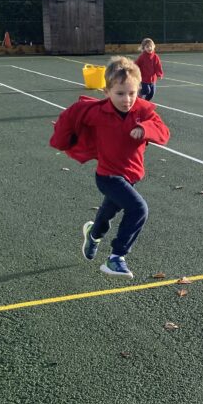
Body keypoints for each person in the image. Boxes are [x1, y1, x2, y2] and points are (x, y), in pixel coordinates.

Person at [50, 57, 170, 279]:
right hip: (107, 175)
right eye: (120, 94)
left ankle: (93, 234)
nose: (127, 100)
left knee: (107, 213)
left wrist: (145, 128)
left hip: (131, 175)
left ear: (139, 90)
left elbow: (163, 131)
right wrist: (63, 135)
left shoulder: (143, 111)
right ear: (107, 92)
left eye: (132, 93)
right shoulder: (96, 111)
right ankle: (116, 258)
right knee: (138, 209)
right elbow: (71, 117)